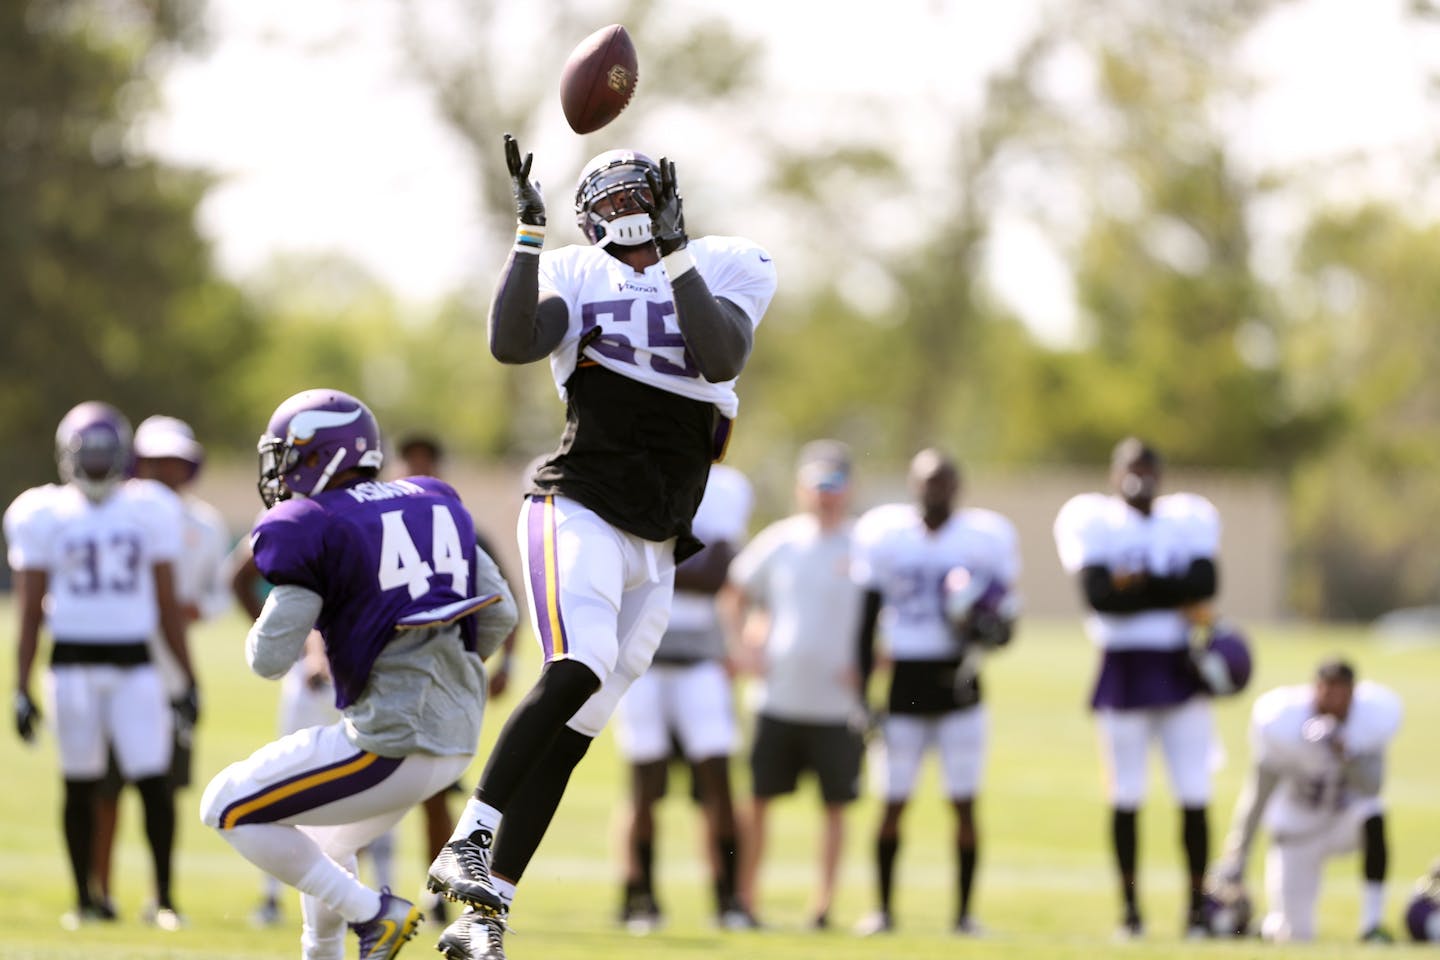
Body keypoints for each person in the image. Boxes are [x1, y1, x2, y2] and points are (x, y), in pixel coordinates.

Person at [424, 133, 775, 960]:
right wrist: (525, 241)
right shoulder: (575, 271)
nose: (623, 214)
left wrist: (677, 256)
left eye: (635, 196)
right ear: (585, 220)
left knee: (575, 731)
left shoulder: (731, 263)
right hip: (574, 502)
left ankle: (485, 916)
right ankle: (470, 836)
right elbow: (512, 343)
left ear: (666, 197)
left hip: (658, 539)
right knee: (573, 664)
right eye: (606, 203)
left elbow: (720, 352)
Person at [200, 388, 516, 960]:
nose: (282, 472)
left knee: (224, 805)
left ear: (322, 457)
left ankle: (376, 915)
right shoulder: (434, 501)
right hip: (454, 741)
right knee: (323, 851)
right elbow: (503, 614)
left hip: (388, 743)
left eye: (289, 456)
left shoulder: (314, 524)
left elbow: (267, 661)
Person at [5, 401, 197, 929]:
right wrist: (20, 685)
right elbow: (28, 609)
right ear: (68, 457)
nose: (93, 465)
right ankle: (84, 898)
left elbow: (165, 602)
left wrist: (188, 678)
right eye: (85, 455)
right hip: (70, 666)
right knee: (79, 784)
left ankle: (164, 898)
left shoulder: (149, 506)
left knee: (153, 780)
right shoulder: (41, 512)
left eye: (102, 455)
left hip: (136, 664)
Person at [1052, 436, 1222, 938]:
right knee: (1126, 793)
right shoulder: (1093, 519)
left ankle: (1196, 909)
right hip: (1122, 667)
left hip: (1178, 666)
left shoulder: (1186, 517)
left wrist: (1136, 582)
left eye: (1148, 468)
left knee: (1194, 789)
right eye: (1130, 468)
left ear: (1162, 474)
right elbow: (1101, 597)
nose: (1140, 477)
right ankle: (1130, 911)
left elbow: (1206, 583)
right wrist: (1167, 589)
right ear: (1112, 474)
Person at [850, 448, 1020, 937]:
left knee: (964, 802)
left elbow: (1006, 630)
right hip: (904, 683)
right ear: (912, 484)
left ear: (958, 487)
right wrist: (863, 694)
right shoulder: (888, 536)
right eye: (927, 482)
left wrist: (981, 624)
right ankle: (883, 910)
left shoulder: (982, 539)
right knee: (892, 801)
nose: (934, 491)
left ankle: (964, 915)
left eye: (943, 482)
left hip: (959, 681)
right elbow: (864, 624)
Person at [90, 414, 231, 925]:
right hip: (113, 666)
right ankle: (97, 892)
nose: (163, 469)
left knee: (163, 791)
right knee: (104, 788)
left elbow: (216, 594)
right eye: (154, 460)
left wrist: (196, 608)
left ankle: (162, 897)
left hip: (170, 674)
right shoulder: (109, 514)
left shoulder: (205, 524)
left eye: (174, 460)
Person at [721, 440, 865, 930]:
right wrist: (744, 649)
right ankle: (746, 899)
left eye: (835, 485)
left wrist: (869, 665)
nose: (826, 495)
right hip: (776, 699)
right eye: (817, 485)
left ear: (848, 490)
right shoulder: (780, 541)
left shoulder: (863, 546)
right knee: (758, 802)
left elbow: (881, 618)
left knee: (835, 807)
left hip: (836, 704)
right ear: (802, 489)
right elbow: (734, 594)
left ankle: (822, 906)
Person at [612, 462, 754, 933]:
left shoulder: (727, 486)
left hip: (699, 660)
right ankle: (642, 898)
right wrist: (683, 558)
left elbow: (717, 572)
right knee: (644, 785)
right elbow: (625, 569)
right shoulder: (638, 473)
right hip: (643, 663)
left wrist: (659, 559)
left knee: (718, 781)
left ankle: (728, 898)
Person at [392, 432, 520, 926]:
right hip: (387, 675)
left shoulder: (463, 528)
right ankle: (353, 890)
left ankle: (435, 890)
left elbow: (504, 604)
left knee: (435, 788)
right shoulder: (381, 527)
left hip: (444, 677)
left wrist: (499, 662)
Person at [1210, 659, 1402, 943]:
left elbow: (1372, 787)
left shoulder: (1369, 720)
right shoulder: (1282, 722)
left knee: (1373, 814)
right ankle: (1262, 927)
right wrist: (1238, 853)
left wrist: (1346, 754)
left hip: (1342, 821)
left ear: (1353, 694)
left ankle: (1371, 925)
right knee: (1294, 935)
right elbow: (1258, 796)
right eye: (1328, 692)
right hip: (1297, 830)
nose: (1335, 701)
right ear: (1315, 689)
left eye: (1342, 694)